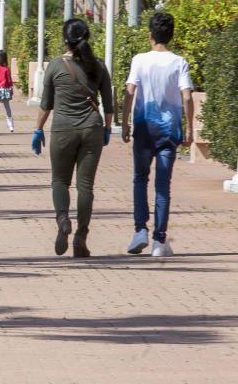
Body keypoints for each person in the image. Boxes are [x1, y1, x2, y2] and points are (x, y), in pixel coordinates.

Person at [31, 18, 113, 258]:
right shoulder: (99, 66)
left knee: (59, 181)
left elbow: (45, 105)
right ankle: (81, 237)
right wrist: (107, 129)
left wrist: (38, 130)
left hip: (62, 130)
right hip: (92, 129)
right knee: (86, 185)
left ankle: (63, 219)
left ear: (64, 40)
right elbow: (108, 105)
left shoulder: (55, 66)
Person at [121, 13, 194, 257]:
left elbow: (130, 92)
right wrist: (190, 127)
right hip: (169, 132)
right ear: (171, 35)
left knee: (140, 179)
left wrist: (124, 122)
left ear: (151, 35)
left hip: (143, 130)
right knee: (163, 186)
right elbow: (186, 96)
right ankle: (159, 242)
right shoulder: (179, 62)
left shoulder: (140, 60)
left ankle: (139, 230)